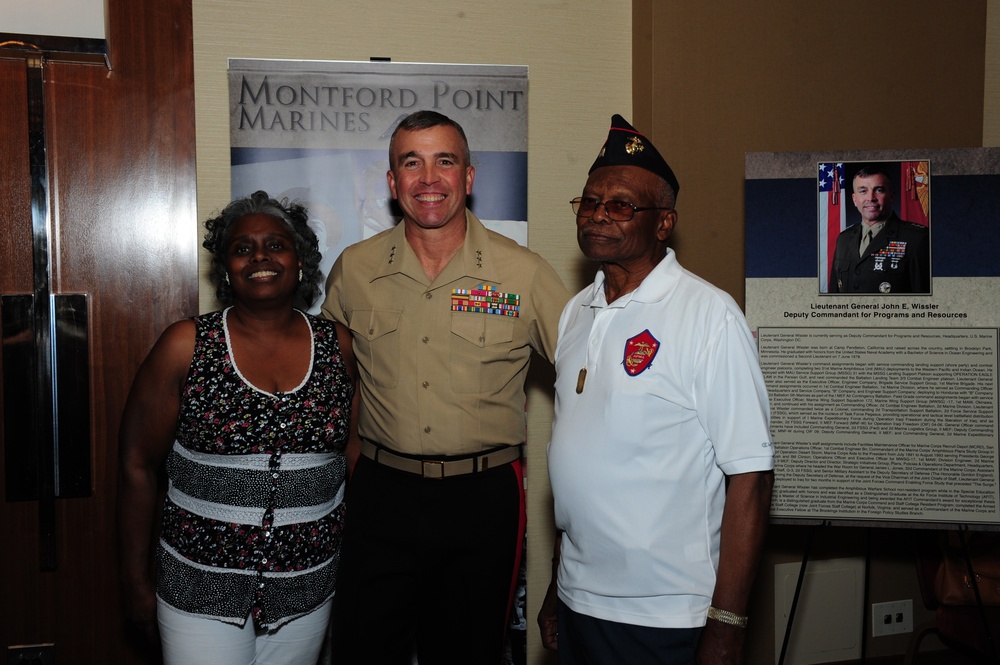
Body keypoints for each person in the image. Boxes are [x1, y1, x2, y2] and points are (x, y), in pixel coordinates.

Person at [322, 110, 570, 664]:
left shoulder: (523, 275)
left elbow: (588, 380)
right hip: (381, 494)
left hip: (481, 499)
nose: (428, 178)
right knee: (362, 649)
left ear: (469, 177)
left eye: (445, 161)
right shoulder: (355, 269)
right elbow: (336, 382)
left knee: (468, 654)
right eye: (412, 162)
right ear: (392, 182)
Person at [537, 115, 775, 665]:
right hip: (579, 603)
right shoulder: (577, 312)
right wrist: (556, 589)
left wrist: (728, 627)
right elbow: (575, 465)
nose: (598, 214)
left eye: (620, 205)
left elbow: (752, 478)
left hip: (665, 615)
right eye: (590, 201)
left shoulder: (709, 316)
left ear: (663, 223)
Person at [117, 191, 358, 665]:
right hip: (200, 590)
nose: (261, 257)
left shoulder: (337, 346)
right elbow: (136, 466)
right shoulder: (186, 345)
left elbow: (351, 455)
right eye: (243, 249)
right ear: (226, 269)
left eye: (276, 245)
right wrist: (135, 583)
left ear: (301, 261)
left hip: (305, 590)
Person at [828, 165, 930, 294]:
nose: (871, 198)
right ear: (854, 199)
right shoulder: (844, 238)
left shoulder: (917, 238)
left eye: (879, 190)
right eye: (863, 191)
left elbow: (924, 302)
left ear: (891, 196)